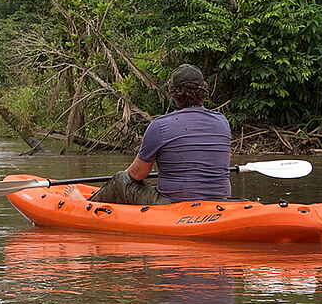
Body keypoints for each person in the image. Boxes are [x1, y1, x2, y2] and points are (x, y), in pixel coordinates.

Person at [88, 63, 231, 206]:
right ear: (203, 91)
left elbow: (137, 174)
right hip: (219, 202)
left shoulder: (160, 126)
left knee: (120, 179)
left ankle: (87, 207)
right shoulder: (222, 122)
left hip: (174, 203)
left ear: (173, 93)